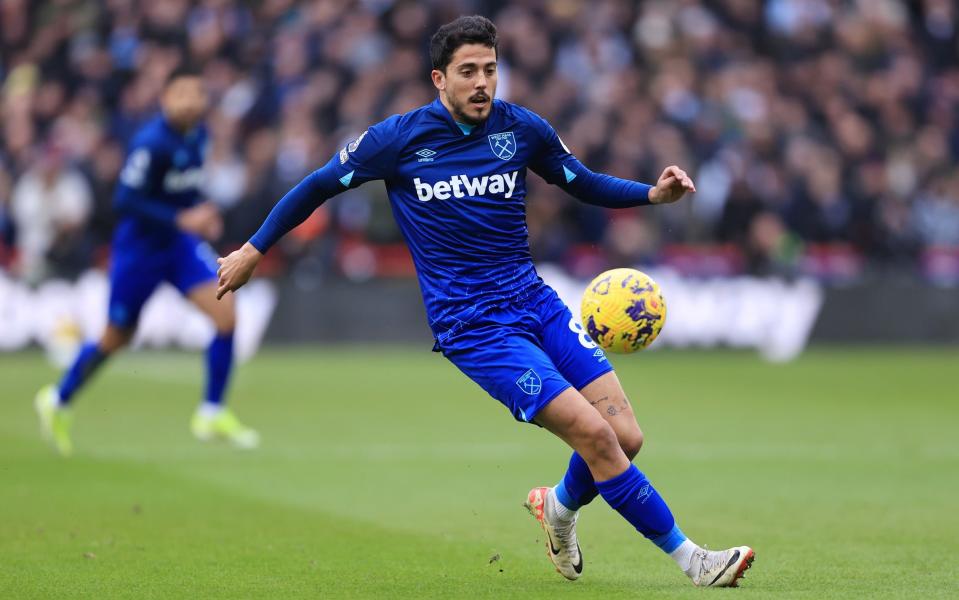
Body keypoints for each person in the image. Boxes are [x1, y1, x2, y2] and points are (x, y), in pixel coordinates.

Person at [216, 16, 753, 587]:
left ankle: (559, 509)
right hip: (474, 327)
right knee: (595, 436)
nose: (482, 83)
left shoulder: (522, 130)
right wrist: (254, 248)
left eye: (490, 70)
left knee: (625, 438)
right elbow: (317, 186)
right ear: (438, 79)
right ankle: (694, 561)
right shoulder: (396, 140)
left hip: (533, 301)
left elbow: (580, 180)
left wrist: (651, 194)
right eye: (467, 71)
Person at [35, 68, 259, 456]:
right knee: (115, 338)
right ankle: (57, 398)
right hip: (140, 251)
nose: (190, 102)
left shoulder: (200, 135)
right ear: (166, 100)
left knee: (227, 314)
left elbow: (183, 189)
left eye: (196, 94)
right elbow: (125, 199)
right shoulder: (150, 142)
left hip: (179, 246)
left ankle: (211, 411)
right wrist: (180, 218)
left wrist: (199, 212)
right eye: (182, 94)